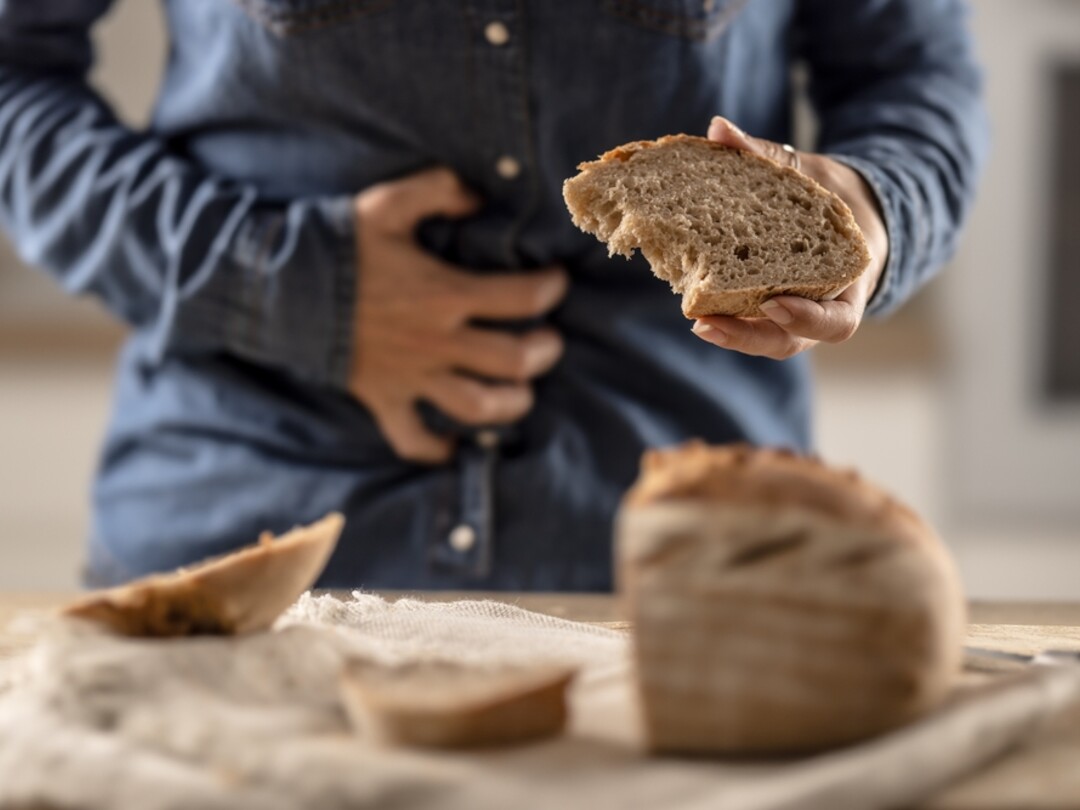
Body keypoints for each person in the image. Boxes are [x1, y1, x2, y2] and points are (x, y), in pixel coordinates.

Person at [0, 1, 987, 590]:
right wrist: (286, 286)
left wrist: (870, 212)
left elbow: (915, 73)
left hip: (690, 576)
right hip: (244, 540)